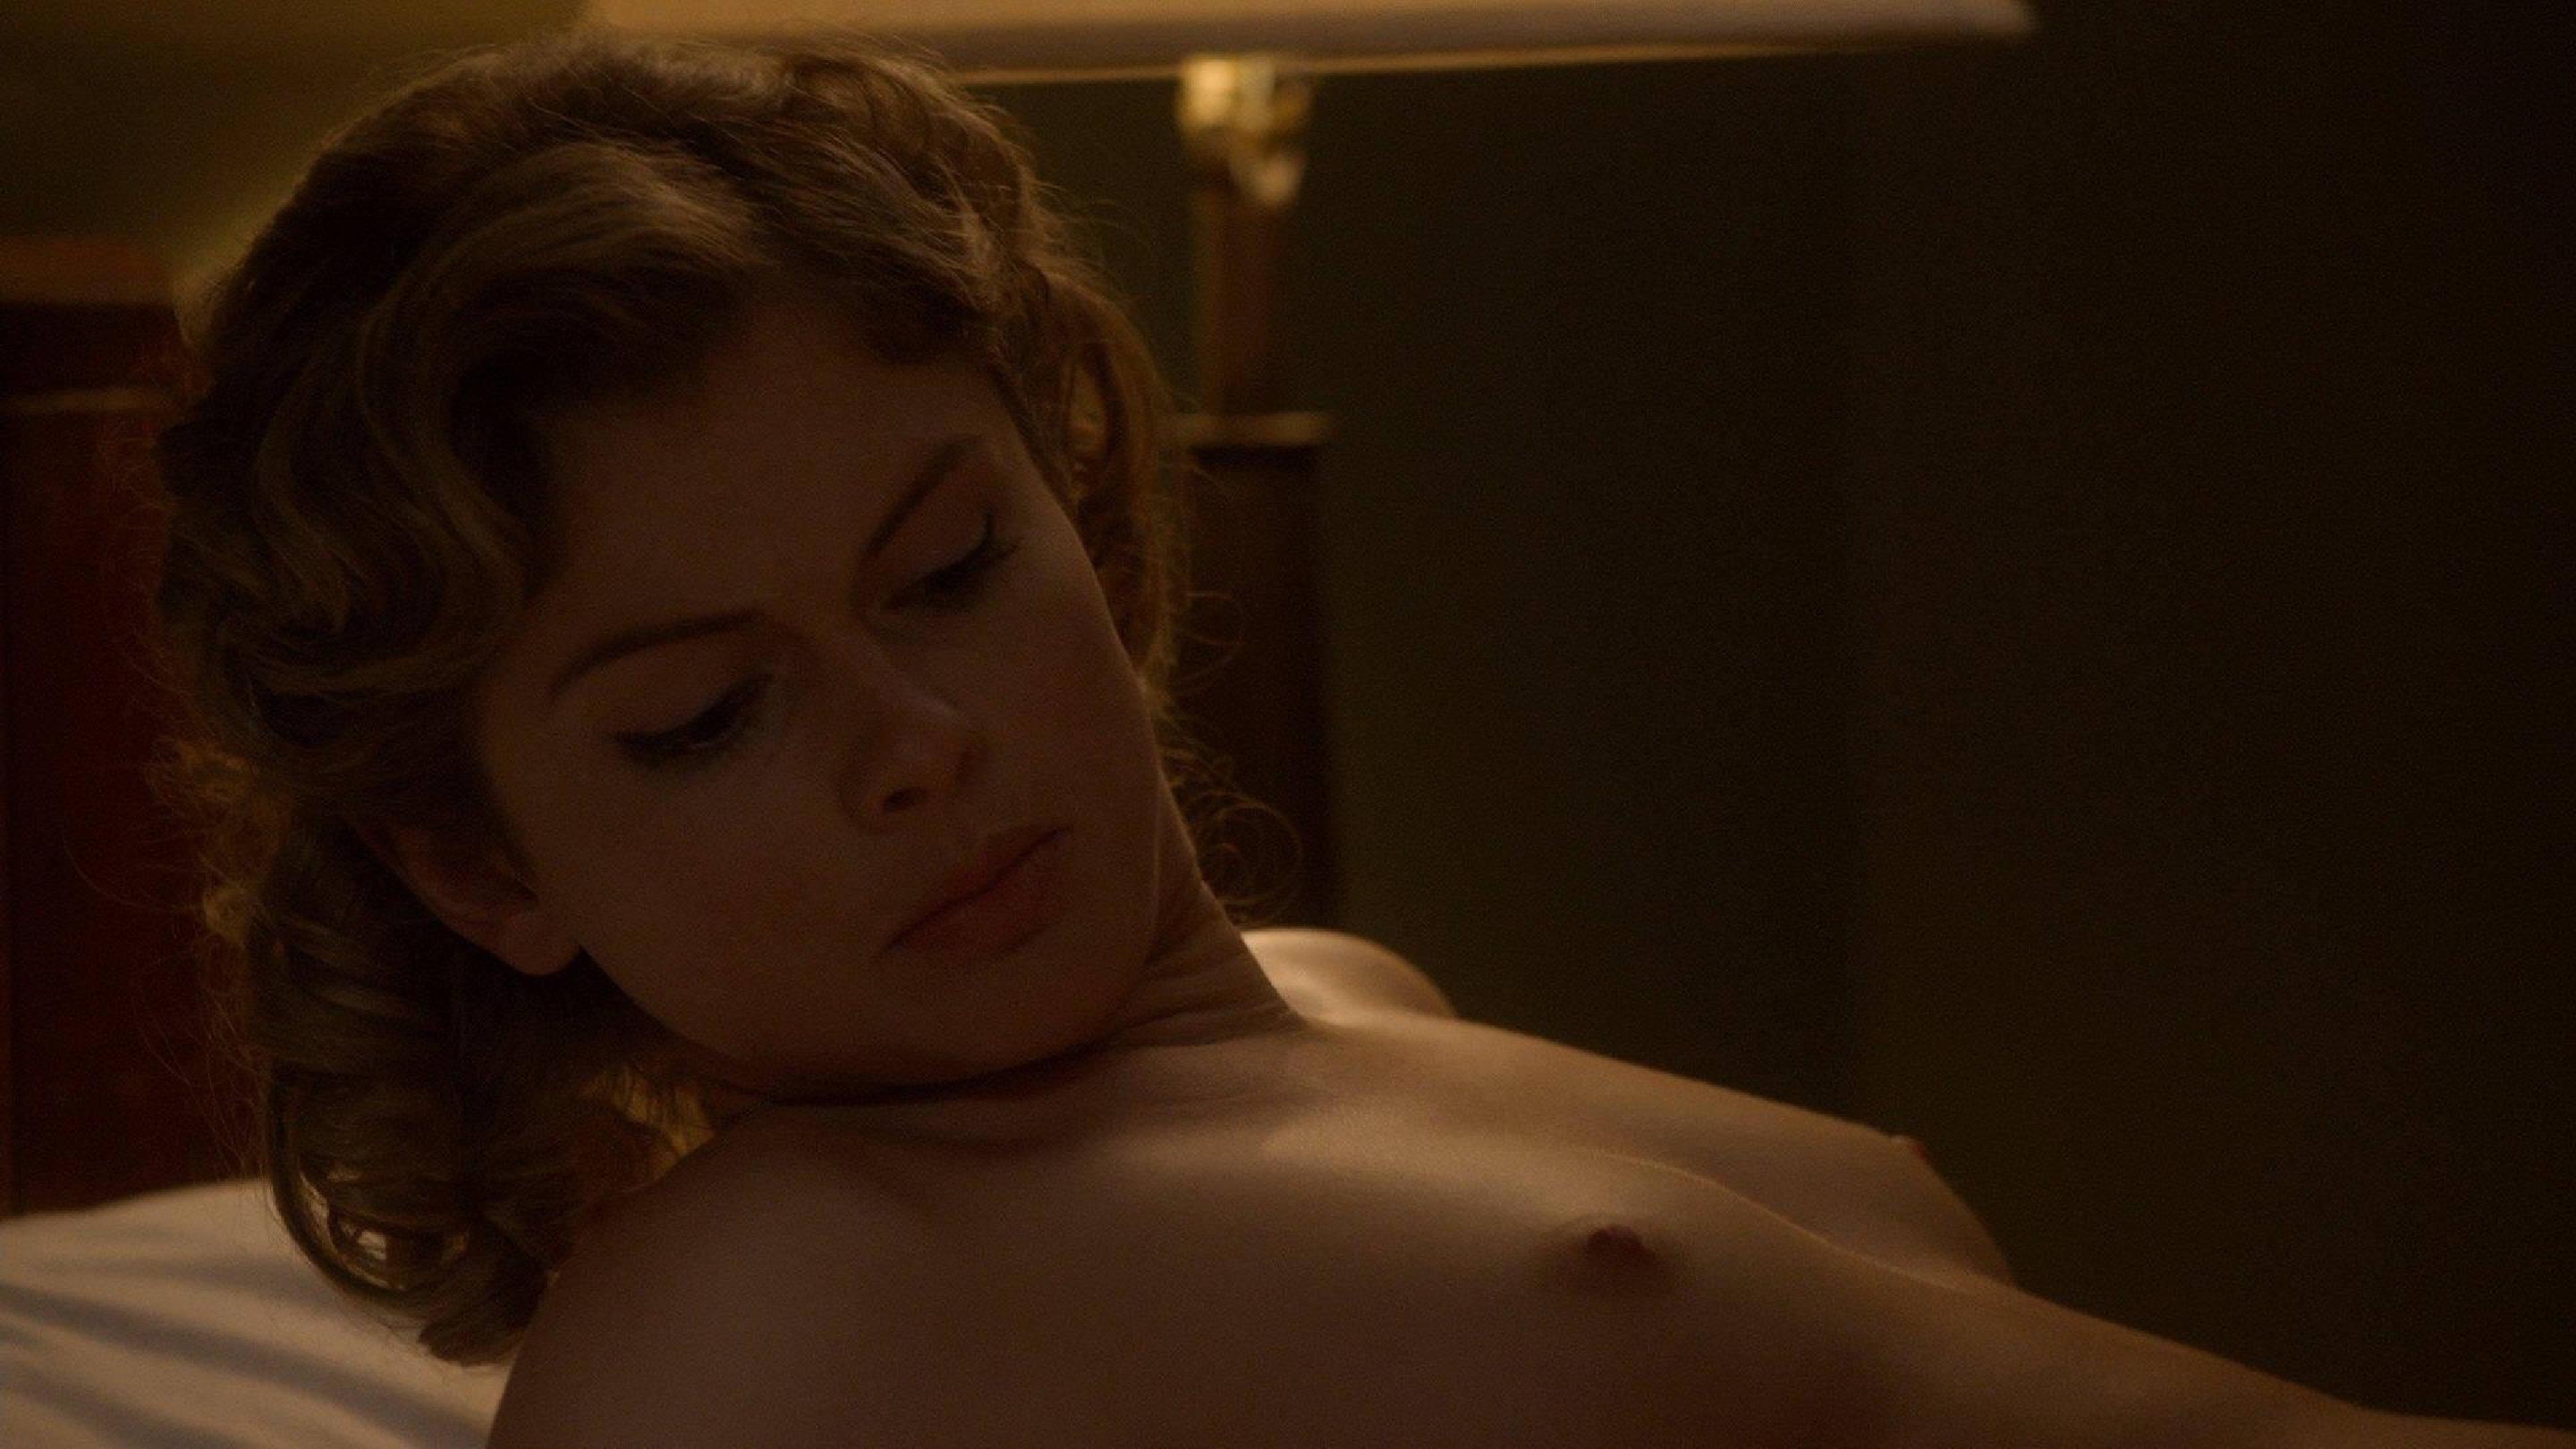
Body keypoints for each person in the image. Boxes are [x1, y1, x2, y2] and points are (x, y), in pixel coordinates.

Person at [141, 25, 2573, 1449]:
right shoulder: (747, 1316)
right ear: (480, 859)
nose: (918, 739)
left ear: (1079, 495)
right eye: (703, 714)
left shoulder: (1346, 992)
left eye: (950, 566)